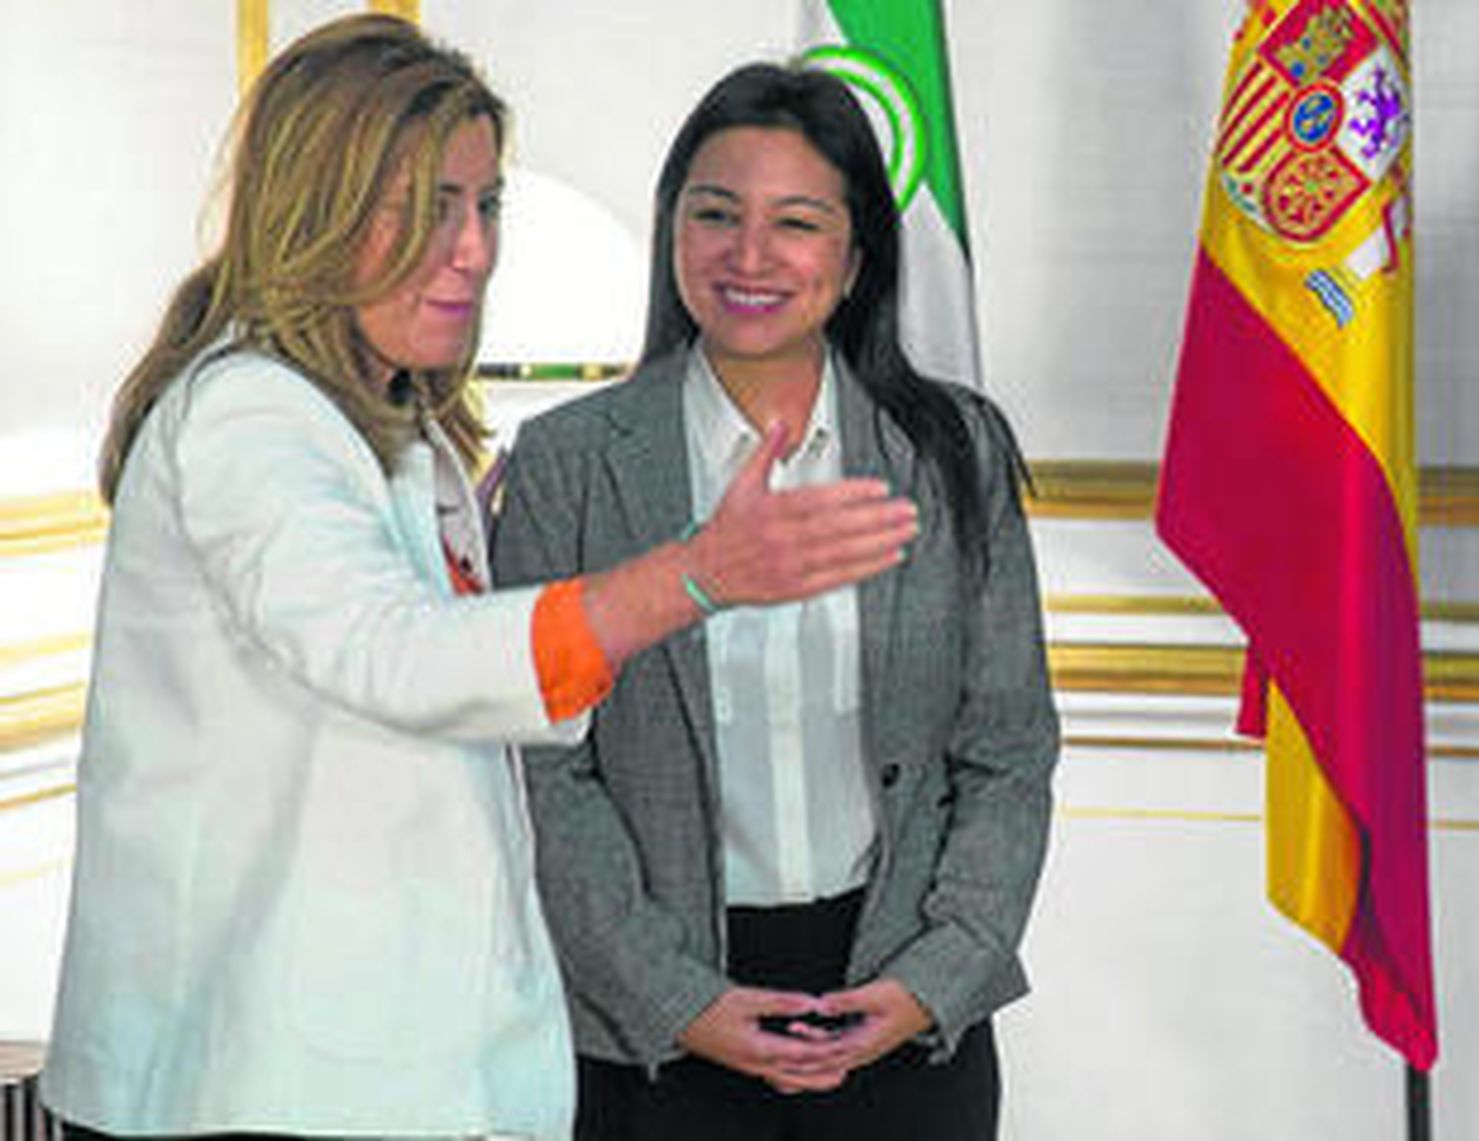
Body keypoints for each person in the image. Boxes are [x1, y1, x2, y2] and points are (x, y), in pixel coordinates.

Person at [40, 21, 916, 1141]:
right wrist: (694, 577)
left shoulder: (401, 430)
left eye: (483, 203)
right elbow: (394, 654)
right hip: (253, 1074)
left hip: (364, 1068)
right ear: (312, 210)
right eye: (421, 206)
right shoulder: (247, 415)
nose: (471, 248)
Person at [492, 61, 1059, 1141]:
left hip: (903, 1009)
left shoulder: (953, 451)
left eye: (794, 223)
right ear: (673, 236)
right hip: (655, 1028)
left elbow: (1009, 750)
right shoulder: (567, 462)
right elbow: (547, 775)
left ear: (853, 259)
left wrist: (935, 976)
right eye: (715, 215)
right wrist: (677, 999)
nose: (748, 257)